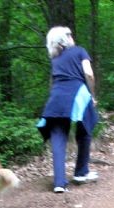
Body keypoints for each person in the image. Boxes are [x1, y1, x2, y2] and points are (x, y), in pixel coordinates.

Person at [37, 26, 98, 193]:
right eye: (69, 34)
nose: (72, 36)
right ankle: (81, 172)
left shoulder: (55, 59)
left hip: (56, 98)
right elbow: (89, 74)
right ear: (64, 39)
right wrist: (92, 95)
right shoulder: (80, 51)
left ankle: (59, 183)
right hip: (77, 93)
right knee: (85, 130)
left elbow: (52, 82)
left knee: (58, 138)